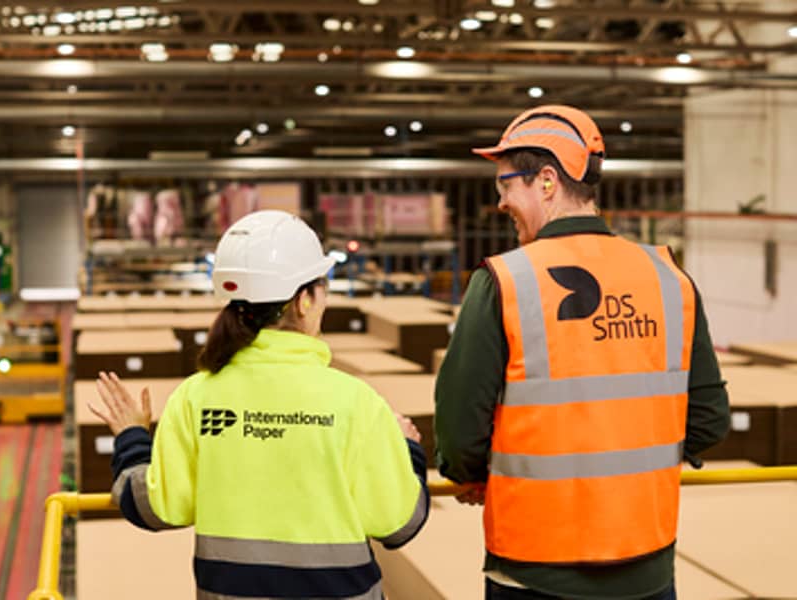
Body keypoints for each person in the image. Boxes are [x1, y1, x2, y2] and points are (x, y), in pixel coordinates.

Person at [434, 105, 730, 600]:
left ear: (546, 180)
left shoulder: (505, 281)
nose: (502, 202)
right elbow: (708, 421)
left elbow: (462, 431)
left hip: (534, 570)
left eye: (505, 186)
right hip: (648, 568)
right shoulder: (668, 280)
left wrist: (469, 475)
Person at [90, 210, 429, 600]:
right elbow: (400, 523)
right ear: (304, 301)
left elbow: (154, 507)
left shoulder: (196, 397)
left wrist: (133, 436)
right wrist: (408, 450)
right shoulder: (356, 403)